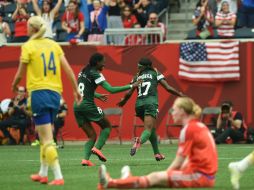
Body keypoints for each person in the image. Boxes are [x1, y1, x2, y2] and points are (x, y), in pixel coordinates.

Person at [11, 16, 82, 185]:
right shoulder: (54, 45)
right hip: (55, 94)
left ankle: (58, 176)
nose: (25, 29)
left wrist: (14, 85)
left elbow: (20, 74)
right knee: (45, 135)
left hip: (39, 94)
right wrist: (75, 90)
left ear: (32, 29)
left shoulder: (28, 46)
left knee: (46, 138)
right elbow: (69, 70)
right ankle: (43, 173)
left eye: (27, 26)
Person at [98, 97, 218, 189]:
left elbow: (179, 161)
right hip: (205, 175)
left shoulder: (189, 129)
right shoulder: (198, 125)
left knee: (156, 177)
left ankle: (110, 183)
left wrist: (166, 175)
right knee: (156, 180)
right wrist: (173, 175)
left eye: (174, 110)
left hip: (201, 177)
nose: (172, 113)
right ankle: (129, 180)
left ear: (182, 111)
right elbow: (189, 159)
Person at [73, 53, 141, 167]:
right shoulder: (96, 74)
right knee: (106, 126)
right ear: (97, 62)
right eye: (103, 61)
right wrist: (132, 86)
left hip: (76, 106)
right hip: (87, 105)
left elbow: (82, 89)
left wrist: (97, 95)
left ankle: (85, 159)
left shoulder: (83, 71)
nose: (104, 64)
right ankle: (97, 148)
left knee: (92, 136)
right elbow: (111, 89)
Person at [117, 57, 184, 161]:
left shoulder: (137, 76)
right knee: (148, 129)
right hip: (151, 104)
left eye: (139, 66)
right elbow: (168, 88)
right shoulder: (155, 73)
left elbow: (129, 92)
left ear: (145, 66)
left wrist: (124, 101)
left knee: (151, 129)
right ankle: (139, 141)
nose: (137, 67)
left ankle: (157, 154)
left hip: (138, 106)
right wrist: (180, 94)